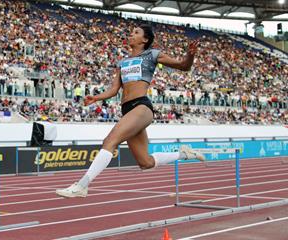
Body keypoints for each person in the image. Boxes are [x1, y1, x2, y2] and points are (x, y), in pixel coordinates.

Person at [56, 25, 205, 198]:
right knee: (145, 162)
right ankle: (184, 153)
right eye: (131, 32)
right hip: (127, 110)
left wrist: (190, 55)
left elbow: (184, 66)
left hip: (142, 106)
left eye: (136, 33)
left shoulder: (153, 55)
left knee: (110, 141)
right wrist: (97, 97)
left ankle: (82, 185)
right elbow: (114, 90)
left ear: (145, 39)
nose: (131, 34)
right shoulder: (123, 62)